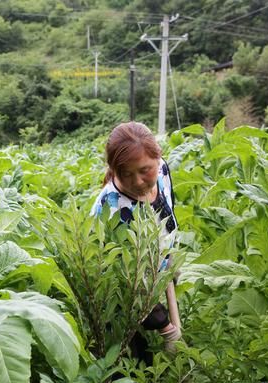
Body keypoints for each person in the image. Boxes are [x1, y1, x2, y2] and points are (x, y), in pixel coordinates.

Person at [91, 121, 181, 364]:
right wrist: (166, 328)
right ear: (114, 170)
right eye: (126, 174)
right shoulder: (113, 207)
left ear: (157, 156)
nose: (139, 181)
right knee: (137, 361)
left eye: (144, 170)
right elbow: (125, 282)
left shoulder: (162, 169)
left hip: (155, 269)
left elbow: (168, 209)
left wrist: (169, 254)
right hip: (124, 299)